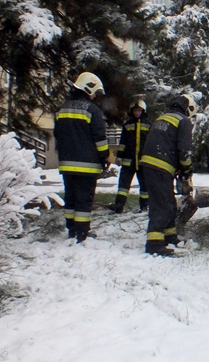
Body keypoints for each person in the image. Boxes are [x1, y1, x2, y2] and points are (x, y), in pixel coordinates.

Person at [54, 72, 109, 243]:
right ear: (89, 88)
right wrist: (105, 156)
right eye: (94, 92)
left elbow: (57, 134)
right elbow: (99, 137)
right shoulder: (92, 110)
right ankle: (82, 233)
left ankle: (71, 230)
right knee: (84, 201)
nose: (95, 96)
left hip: (66, 164)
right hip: (87, 164)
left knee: (70, 198)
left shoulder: (62, 108)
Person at [140, 94, 196, 256]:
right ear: (189, 109)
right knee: (163, 204)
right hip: (161, 165)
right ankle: (154, 243)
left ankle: (170, 235)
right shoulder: (183, 121)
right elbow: (184, 150)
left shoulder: (162, 118)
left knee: (168, 201)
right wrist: (186, 170)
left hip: (149, 164)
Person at [108, 99, 151, 214]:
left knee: (145, 186)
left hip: (143, 161)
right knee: (123, 186)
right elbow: (123, 143)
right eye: (135, 110)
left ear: (143, 111)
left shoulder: (149, 124)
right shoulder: (128, 125)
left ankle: (144, 207)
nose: (137, 112)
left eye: (139, 110)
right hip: (129, 162)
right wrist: (120, 156)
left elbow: (151, 143)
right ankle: (119, 205)